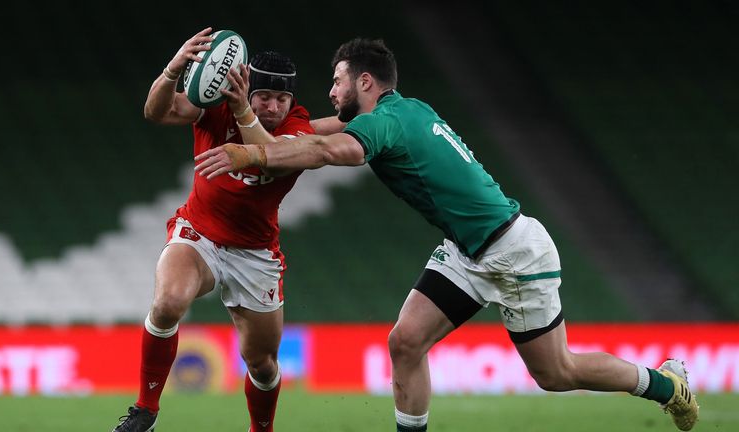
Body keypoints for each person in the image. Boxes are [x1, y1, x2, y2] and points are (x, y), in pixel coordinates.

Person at [193, 37, 701, 431]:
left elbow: (329, 152)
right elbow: (311, 135)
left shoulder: (385, 124)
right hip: (468, 250)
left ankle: (665, 384)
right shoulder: (405, 110)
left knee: (556, 374)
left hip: (513, 251)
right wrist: (250, 121)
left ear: (365, 81)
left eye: (338, 81)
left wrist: (249, 153)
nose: (330, 91)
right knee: (405, 343)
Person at [111, 27, 317, 432]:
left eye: (281, 98)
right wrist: (173, 70)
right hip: (199, 233)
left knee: (261, 362)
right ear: (246, 86)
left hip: (255, 253)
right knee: (168, 302)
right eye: (263, 96)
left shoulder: (299, 126)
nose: (273, 106)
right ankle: (145, 411)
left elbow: (270, 159)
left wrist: (245, 111)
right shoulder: (215, 105)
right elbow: (157, 112)